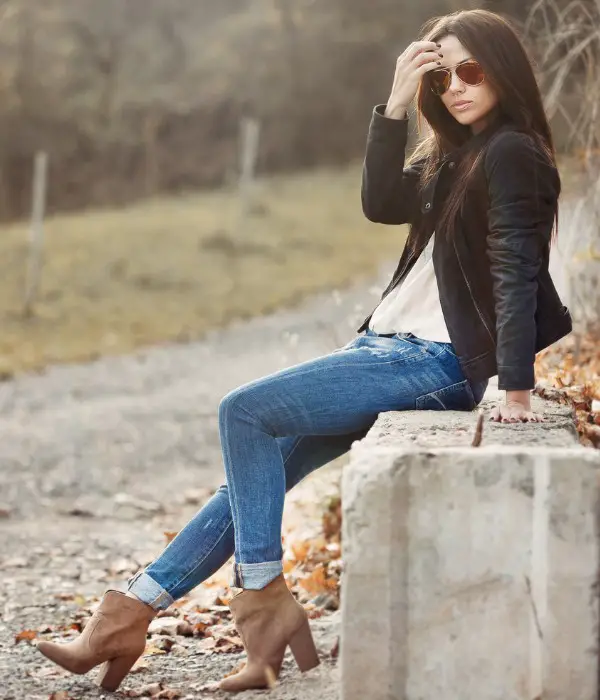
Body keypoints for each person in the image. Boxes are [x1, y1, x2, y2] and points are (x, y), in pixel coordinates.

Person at [37, 7, 572, 694]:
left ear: (504, 70)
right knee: (258, 474)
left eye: (471, 72)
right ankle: (127, 616)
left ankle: (261, 602)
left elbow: (515, 264)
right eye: (445, 77)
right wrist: (399, 101)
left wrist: (515, 386)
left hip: (430, 362)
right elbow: (382, 202)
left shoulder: (512, 152)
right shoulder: (460, 151)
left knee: (245, 412)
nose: (458, 87)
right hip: (389, 350)